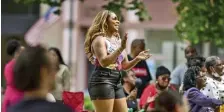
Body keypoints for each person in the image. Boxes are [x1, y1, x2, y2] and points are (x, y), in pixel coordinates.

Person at [84, 10, 151, 112]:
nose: (118, 22)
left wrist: (137, 59)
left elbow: (125, 66)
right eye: (114, 19)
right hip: (102, 79)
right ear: (105, 21)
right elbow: (104, 62)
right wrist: (121, 48)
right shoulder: (99, 39)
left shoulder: (118, 41)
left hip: (117, 79)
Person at [8, 45, 72, 112]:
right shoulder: (62, 110)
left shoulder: (11, 110)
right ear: (43, 73)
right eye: (52, 68)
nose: (55, 73)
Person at [2, 40, 25, 112]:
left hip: (17, 95)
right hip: (14, 97)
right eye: (20, 52)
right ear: (16, 53)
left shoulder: (11, 65)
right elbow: (12, 82)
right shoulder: (10, 66)